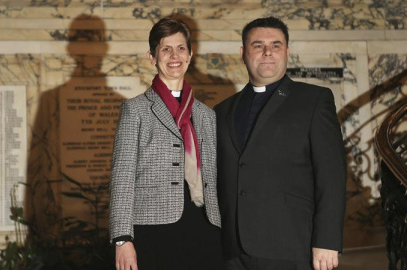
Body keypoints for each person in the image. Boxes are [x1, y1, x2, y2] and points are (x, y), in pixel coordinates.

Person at [214, 17, 346, 270]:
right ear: (243, 53)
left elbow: (332, 175)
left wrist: (327, 240)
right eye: (258, 45)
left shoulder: (314, 100)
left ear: (287, 51)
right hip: (232, 249)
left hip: (290, 245)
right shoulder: (222, 110)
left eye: (276, 45)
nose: (267, 52)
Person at [109, 17, 223, 270]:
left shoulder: (206, 114)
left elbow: (215, 176)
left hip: (205, 227)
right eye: (166, 49)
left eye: (181, 48)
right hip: (153, 229)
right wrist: (122, 239)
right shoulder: (135, 110)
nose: (175, 55)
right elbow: (122, 177)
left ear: (191, 54)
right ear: (152, 57)